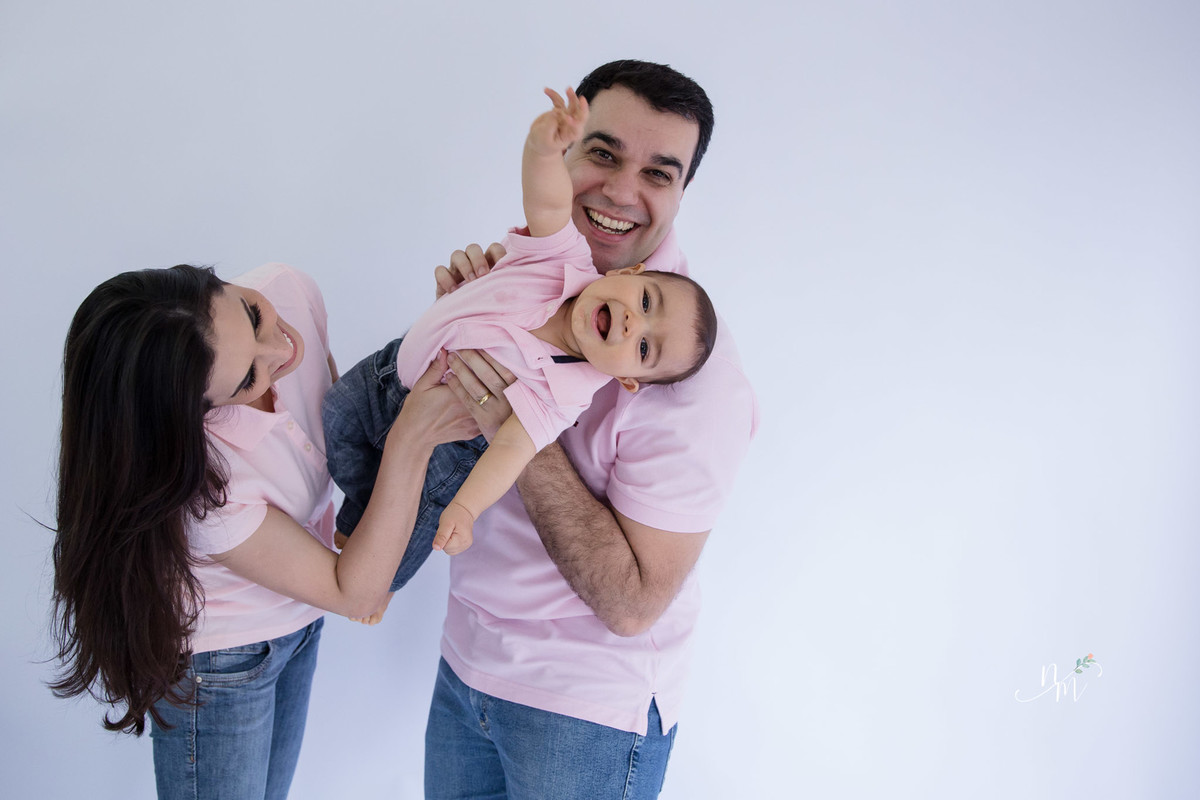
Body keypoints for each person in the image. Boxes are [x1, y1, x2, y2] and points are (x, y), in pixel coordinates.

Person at [423, 60, 758, 799]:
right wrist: (465, 319)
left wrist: (512, 416)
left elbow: (633, 604)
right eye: (603, 154)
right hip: (464, 667)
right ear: (565, 148)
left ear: (681, 193)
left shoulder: (694, 375)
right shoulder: (537, 269)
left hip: (582, 717)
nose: (620, 192)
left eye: (658, 173)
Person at [49, 262, 481, 800]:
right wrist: (412, 441)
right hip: (222, 663)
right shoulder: (206, 484)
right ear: (197, 412)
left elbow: (346, 423)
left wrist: (460, 318)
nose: (282, 351)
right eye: (249, 379)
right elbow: (354, 591)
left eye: (252, 316)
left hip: (300, 620)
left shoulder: (290, 291)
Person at [321, 87, 718, 615]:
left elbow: (510, 451)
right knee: (334, 419)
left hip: (449, 447)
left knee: (415, 518)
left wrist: (466, 507)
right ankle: (356, 517)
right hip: (387, 375)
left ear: (629, 380)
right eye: (643, 300)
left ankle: (379, 581)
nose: (630, 321)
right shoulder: (564, 259)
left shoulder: (569, 389)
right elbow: (548, 200)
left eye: (643, 346)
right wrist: (542, 148)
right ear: (628, 276)